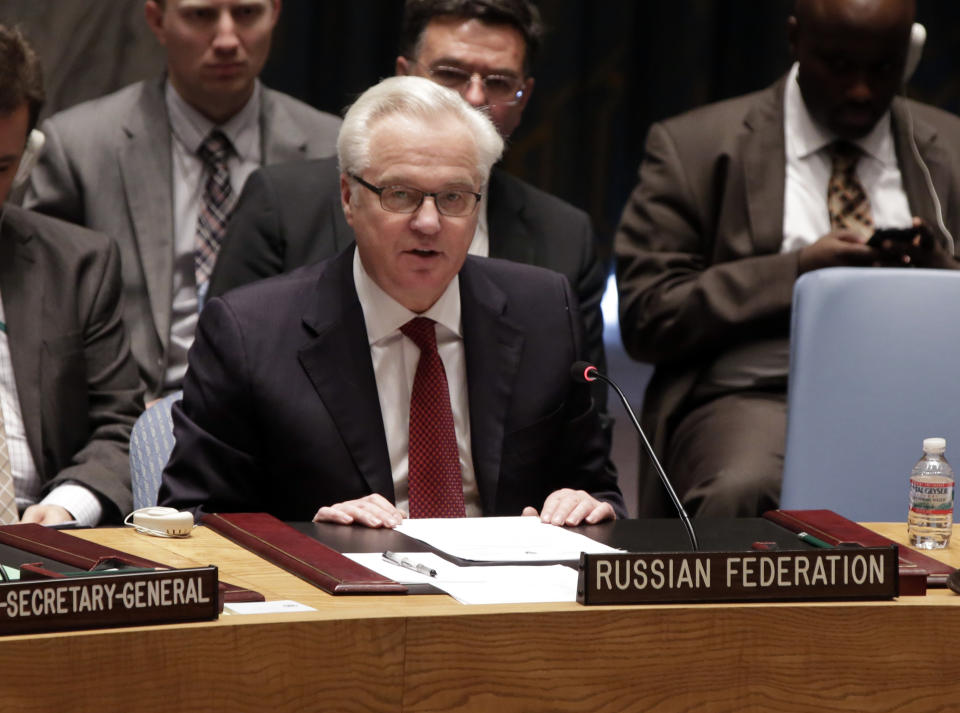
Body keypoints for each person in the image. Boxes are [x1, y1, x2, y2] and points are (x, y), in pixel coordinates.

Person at [159, 76, 624, 527]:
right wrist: (310, 532)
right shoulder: (248, 333)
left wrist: (581, 506)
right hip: (337, 595)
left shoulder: (542, 310)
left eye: (453, 197)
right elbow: (195, 517)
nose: (428, 222)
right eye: (400, 195)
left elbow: (597, 490)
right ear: (348, 197)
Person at [615, 0, 960, 518]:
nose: (861, 89)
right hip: (758, 390)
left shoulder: (950, 149)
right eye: (839, 66)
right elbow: (647, 314)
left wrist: (940, 276)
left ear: (909, 52)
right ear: (795, 40)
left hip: (924, 387)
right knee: (743, 486)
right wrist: (797, 272)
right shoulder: (694, 147)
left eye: (883, 68)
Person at [207, 0, 608, 388]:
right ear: (403, 75)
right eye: (450, 74)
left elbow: (583, 421)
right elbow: (227, 365)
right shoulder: (284, 204)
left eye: (499, 82)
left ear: (525, 96)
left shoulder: (565, 239)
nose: (473, 98)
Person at [24, 0, 342, 400]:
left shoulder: (331, 149)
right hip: (130, 415)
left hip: (282, 419)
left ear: (275, 13)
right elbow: (42, 321)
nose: (227, 39)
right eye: (201, 15)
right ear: (157, 20)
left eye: (247, 13)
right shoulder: (80, 148)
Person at [0, 26, 143, 526]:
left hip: (45, 541)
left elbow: (120, 425)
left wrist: (66, 507)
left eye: (1, 166)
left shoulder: (78, 264)